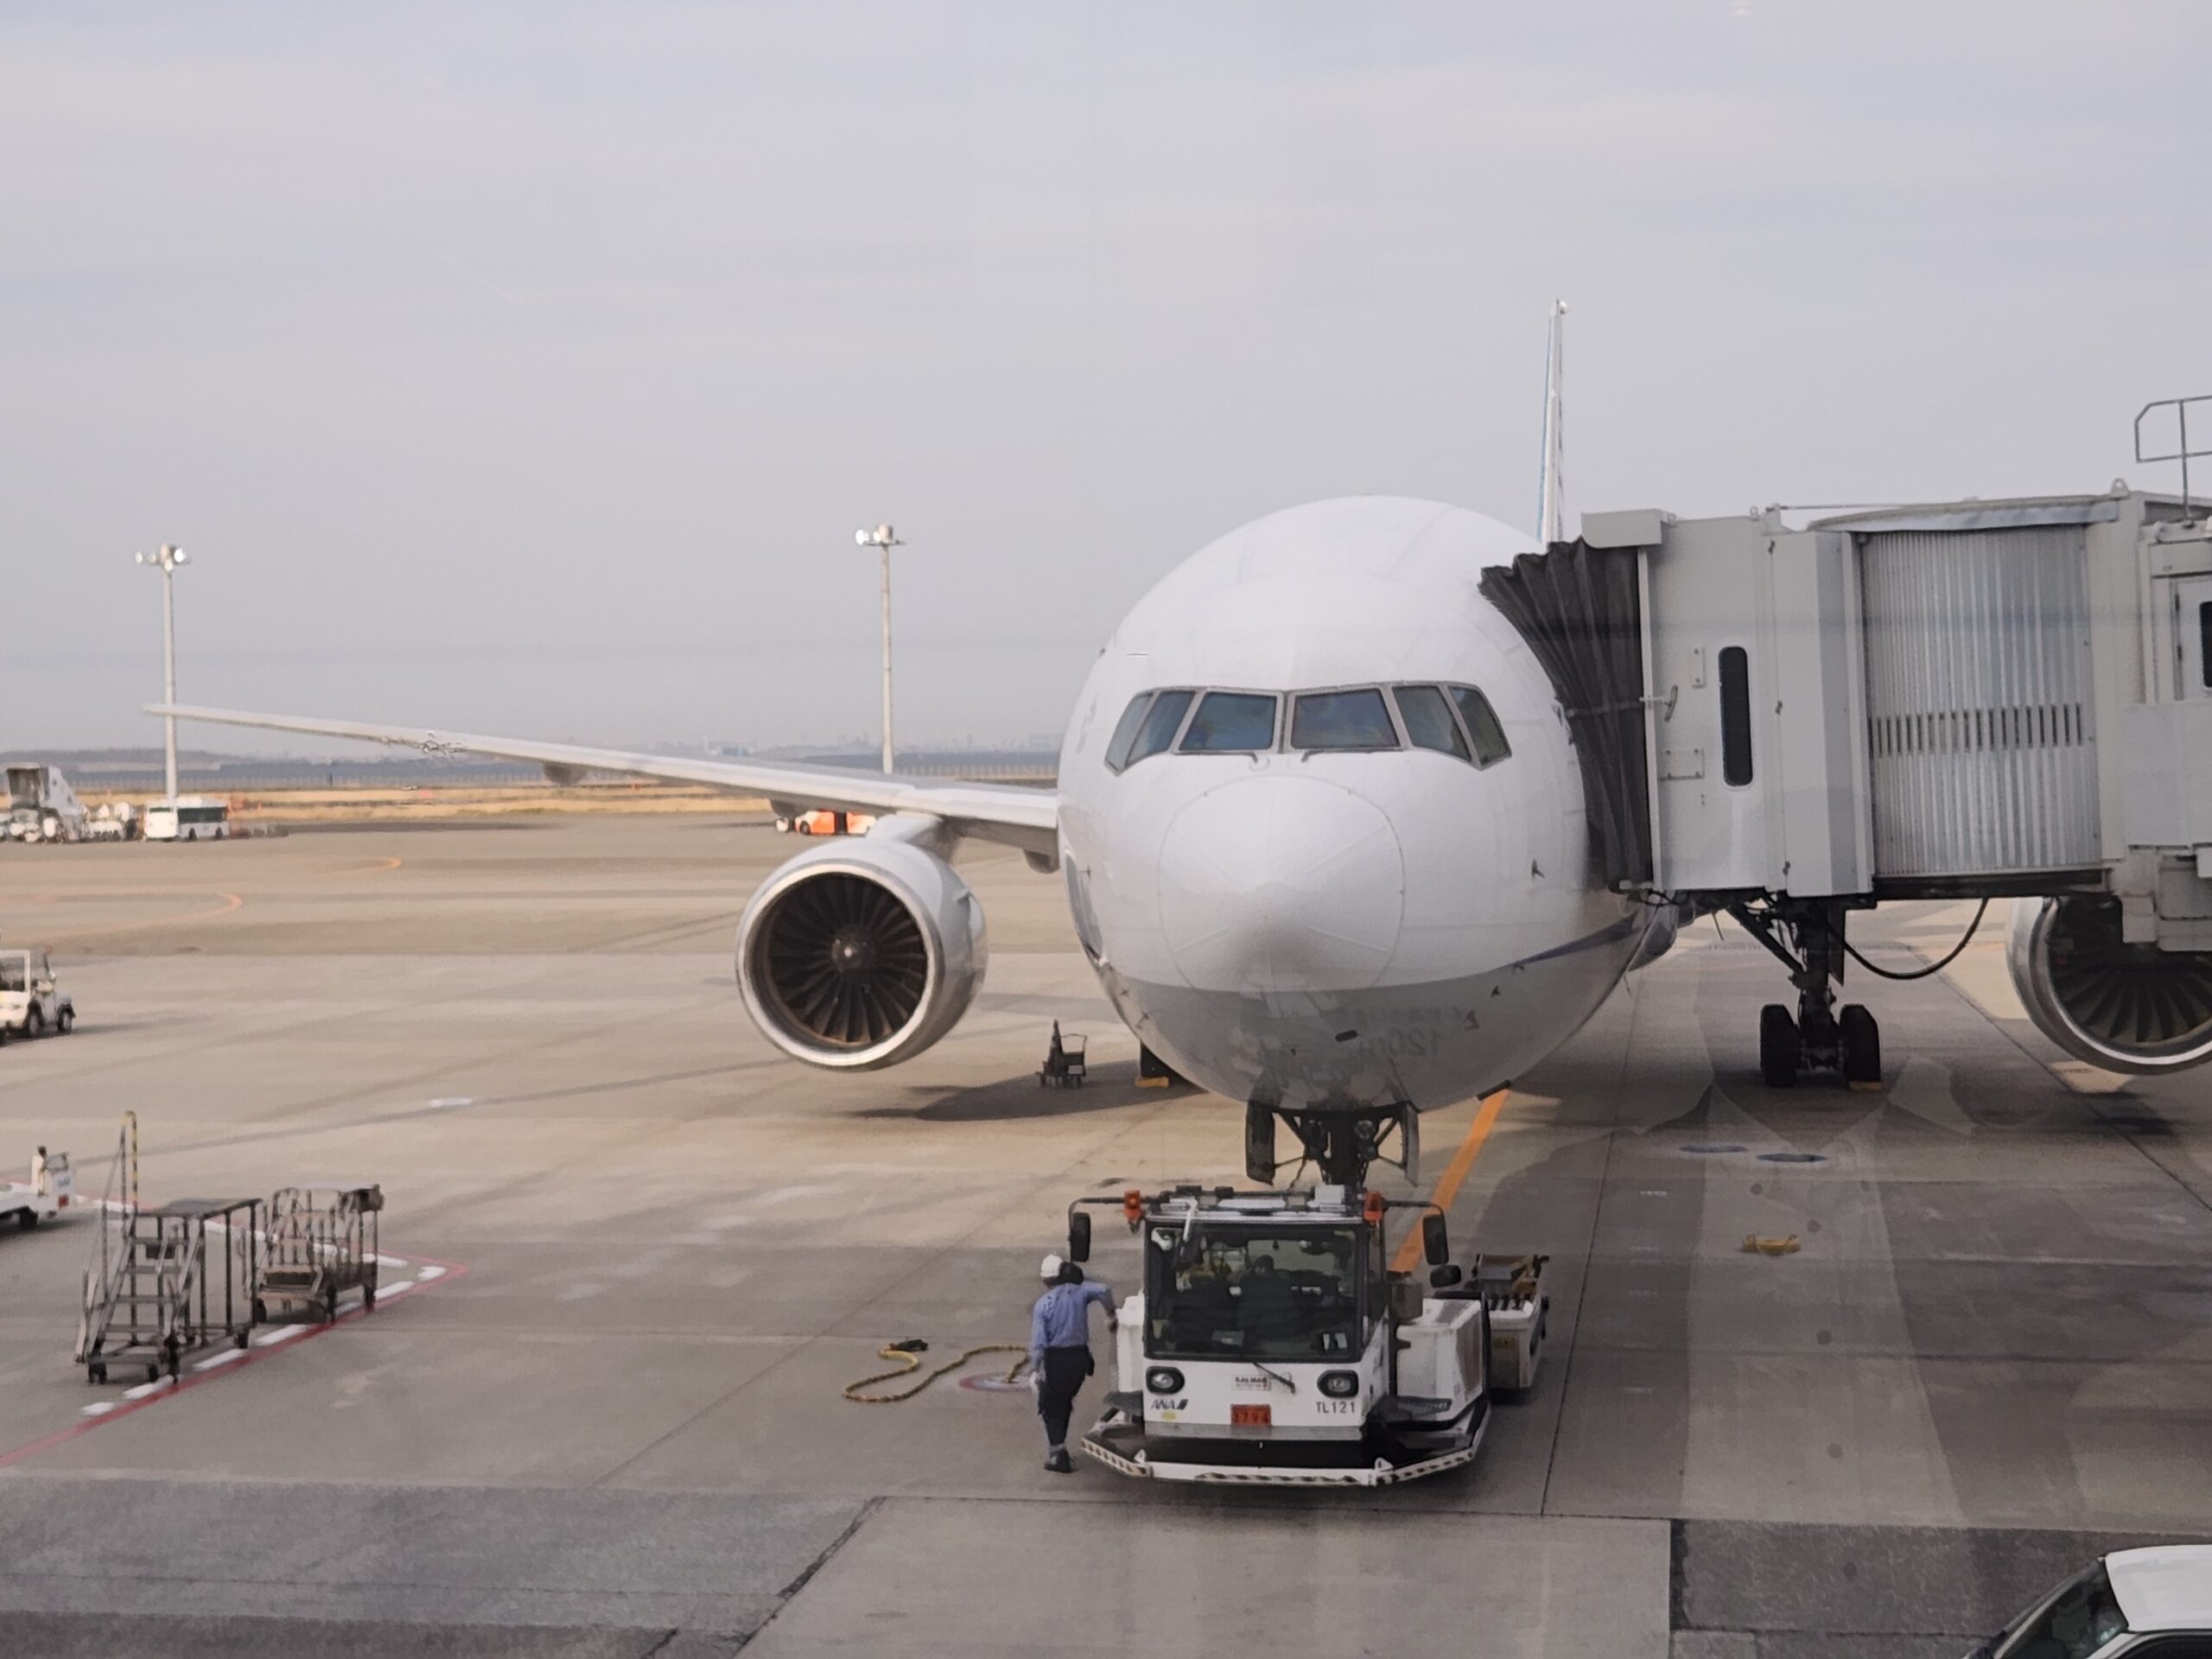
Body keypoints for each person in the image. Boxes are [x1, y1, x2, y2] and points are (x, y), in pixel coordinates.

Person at [1028, 1253, 1115, 1473]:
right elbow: (1104, 1290)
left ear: (1045, 1280)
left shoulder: (1042, 1305)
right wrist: (1110, 1315)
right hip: (1079, 1359)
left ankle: (1057, 1454)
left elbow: (1039, 1344)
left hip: (1056, 1361)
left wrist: (1035, 1371)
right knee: (1065, 1402)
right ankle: (1060, 1451)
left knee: (1050, 1408)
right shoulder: (1080, 1292)